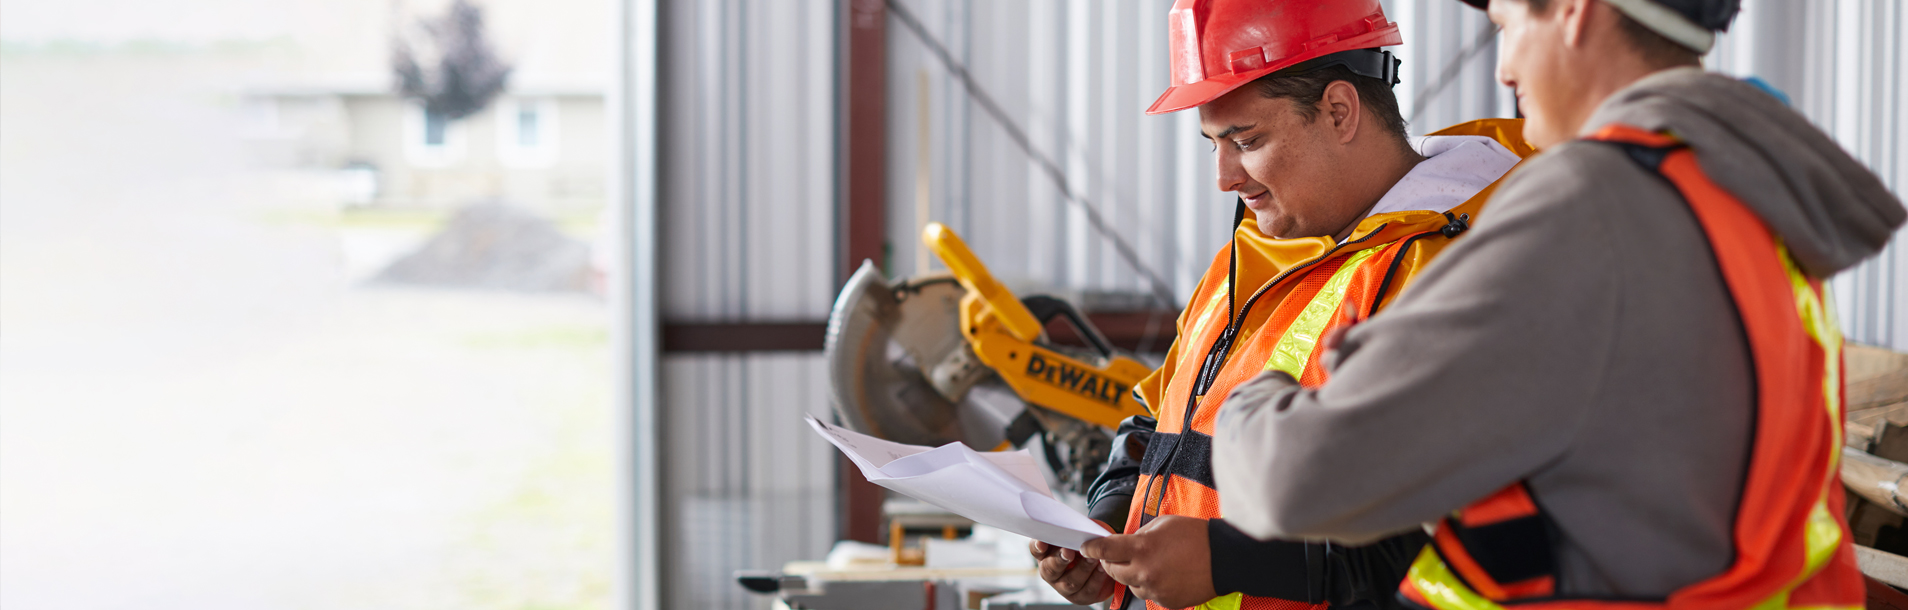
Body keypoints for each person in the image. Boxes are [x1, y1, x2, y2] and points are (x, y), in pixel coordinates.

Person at [1208, 0, 1907, 605]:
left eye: (1508, 23)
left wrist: (1260, 393)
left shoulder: (1592, 206)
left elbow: (1296, 480)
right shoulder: (1740, 195)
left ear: (1573, 12)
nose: (1502, 69)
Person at [1028, 1, 1535, 608]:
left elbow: (1466, 540)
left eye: (1246, 140)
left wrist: (1233, 563)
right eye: (1213, 144)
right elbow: (1159, 425)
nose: (1224, 177)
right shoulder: (1251, 254)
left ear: (1340, 111)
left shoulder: (1459, 269)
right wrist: (1108, 523)